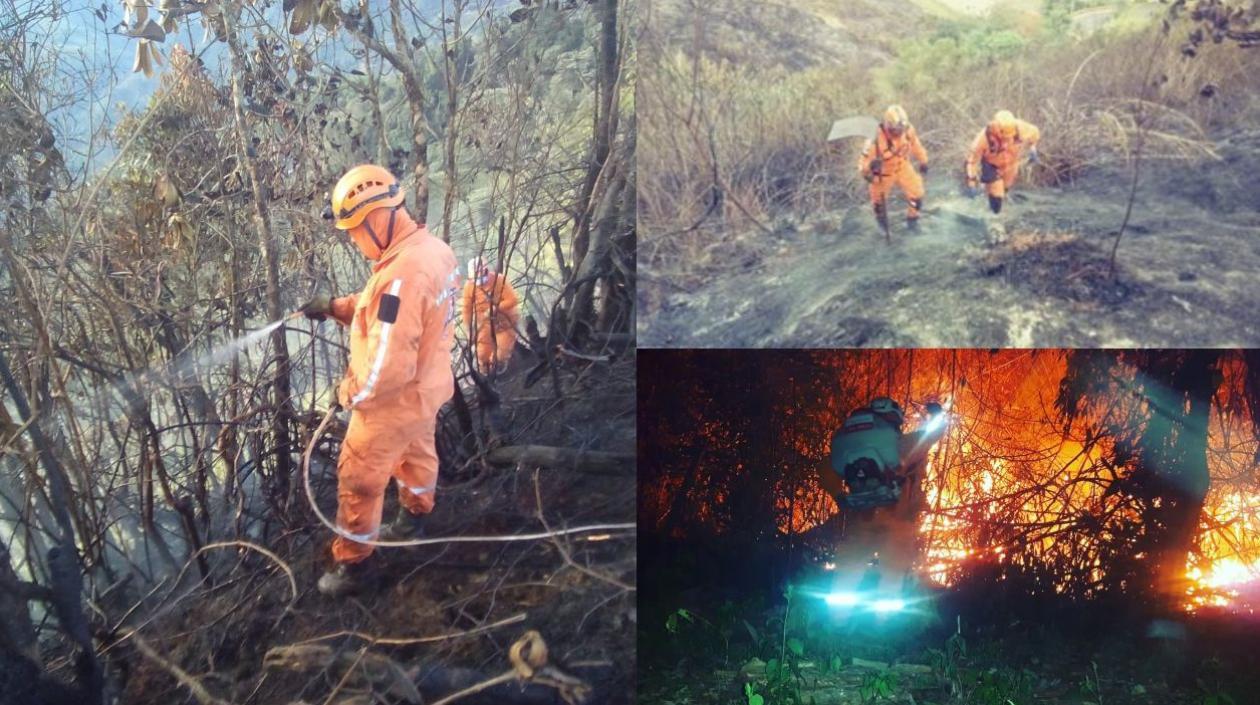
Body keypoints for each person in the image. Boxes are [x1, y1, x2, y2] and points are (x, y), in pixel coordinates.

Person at [299, 164, 460, 597]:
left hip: (390, 403)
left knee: (359, 479)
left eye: (354, 230)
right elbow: (393, 312)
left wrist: (347, 393)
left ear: (376, 217)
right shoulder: (431, 251)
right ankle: (414, 520)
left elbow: (386, 367)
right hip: (427, 391)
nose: (353, 240)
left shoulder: (398, 276)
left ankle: (354, 566)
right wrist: (335, 306)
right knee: (417, 455)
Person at [858, 105, 930, 232]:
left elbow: (916, 146)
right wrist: (870, 167)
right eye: (895, 130)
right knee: (879, 204)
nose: (898, 132)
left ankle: (912, 221)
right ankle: (883, 227)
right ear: (888, 125)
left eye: (901, 129)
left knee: (917, 194)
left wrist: (923, 161)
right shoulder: (874, 140)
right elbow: (862, 165)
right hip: (883, 174)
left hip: (902, 167)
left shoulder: (908, 131)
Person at [965, 109, 1041, 215]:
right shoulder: (983, 139)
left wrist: (1033, 149)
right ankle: (994, 216)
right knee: (997, 194)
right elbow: (972, 161)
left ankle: (988, 202)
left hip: (1011, 163)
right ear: (996, 129)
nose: (1007, 141)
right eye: (1004, 137)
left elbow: (1035, 133)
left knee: (1005, 188)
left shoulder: (1021, 128)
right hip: (991, 164)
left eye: (1010, 136)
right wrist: (971, 182)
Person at [461, 257, 520, 374]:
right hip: (485, 324)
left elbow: (513, 299)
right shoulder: (469, 287)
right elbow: (466, 310)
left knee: (500, 354)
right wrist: (468, 331)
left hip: (506, 323)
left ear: (486, 270)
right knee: (482, 355)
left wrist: (495, 308)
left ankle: (501, 371)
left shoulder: (499, 279)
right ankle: (486, 376)